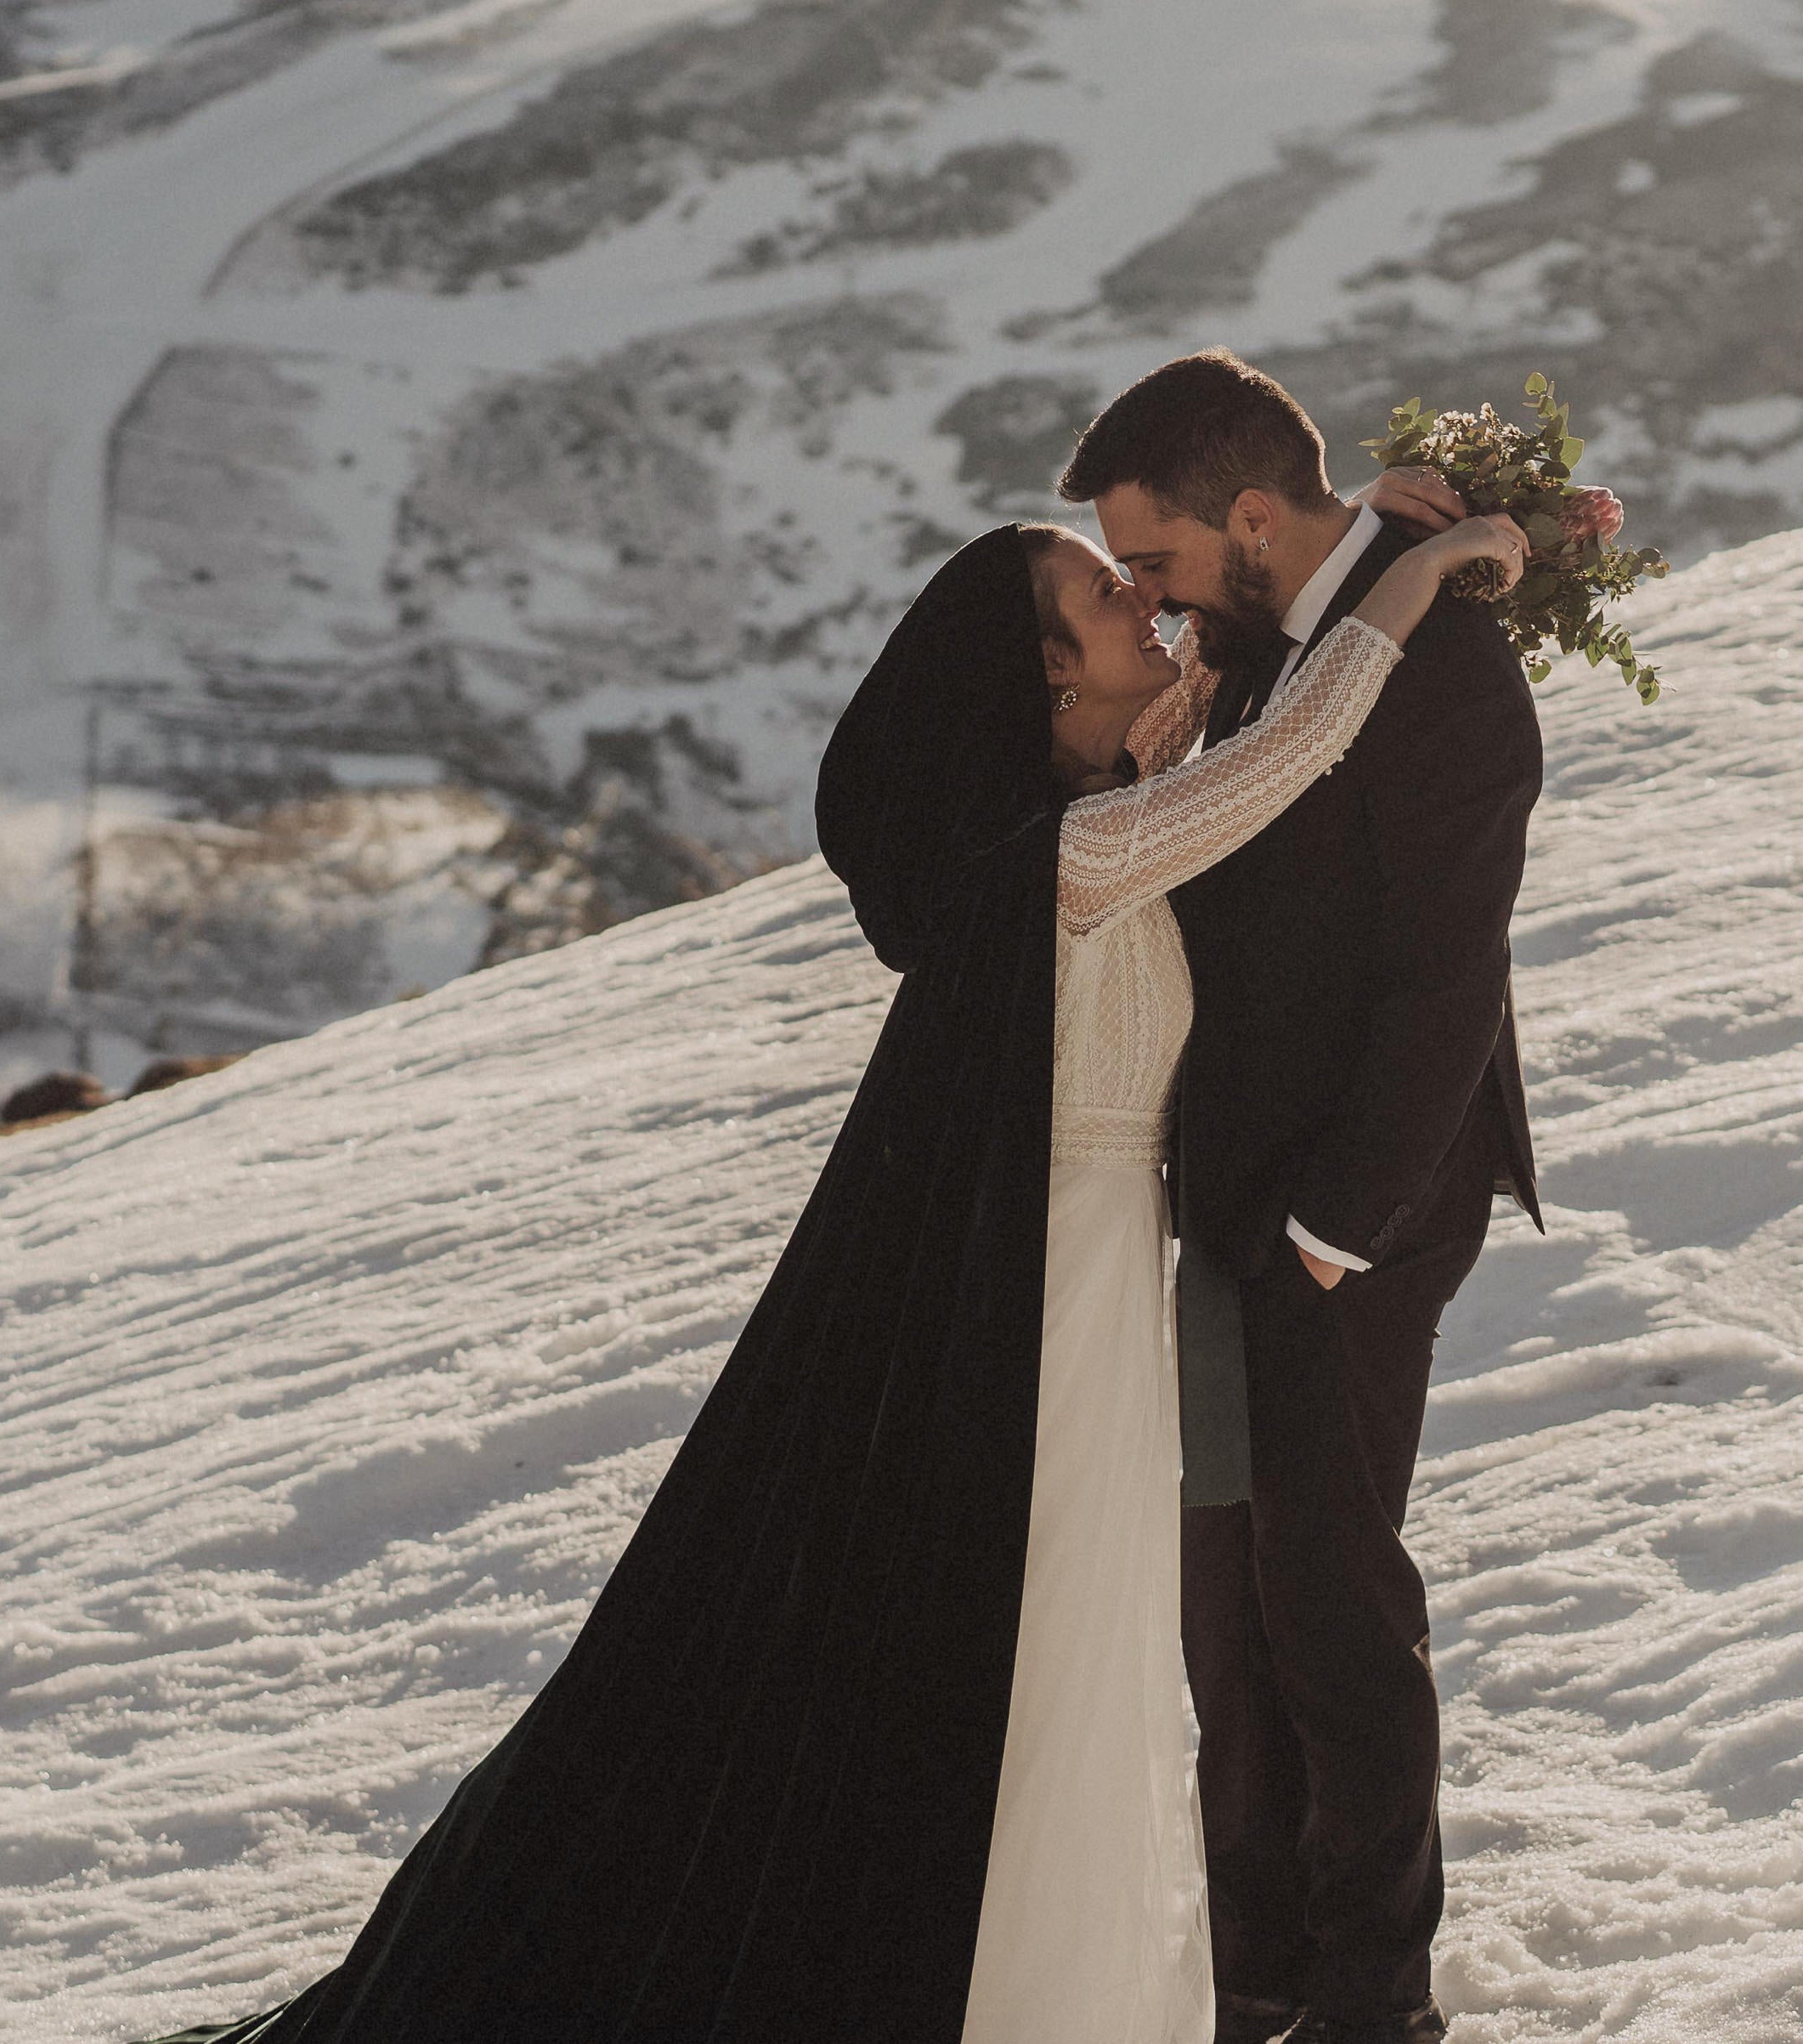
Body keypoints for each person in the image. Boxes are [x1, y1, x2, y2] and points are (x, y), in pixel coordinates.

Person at [148, 488, 1528, 2044]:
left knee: (1079, 1641)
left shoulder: (1089, 826)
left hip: (1081, 1300)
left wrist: (1356, 536)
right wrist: (1412, 580)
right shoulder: (1067, 862)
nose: (1150, 610)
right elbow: (1291, 750)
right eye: (1104, 595)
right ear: (1050, 679)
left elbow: (1215, 702)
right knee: (1045, 1637)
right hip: (1050, 1315)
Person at [1063, 352, 1546, 2044]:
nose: (1145, 595)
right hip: (1226, 1199)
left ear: (1252, 515)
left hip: (1359, 1208)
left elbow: (1443, 975)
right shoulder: (1269, 638)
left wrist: (1342, 1227)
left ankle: (1368, 1994)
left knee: (1332, 1599)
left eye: (1162, 560)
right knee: (1229, 1597)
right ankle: (1251, 1960)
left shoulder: (1447, 673)